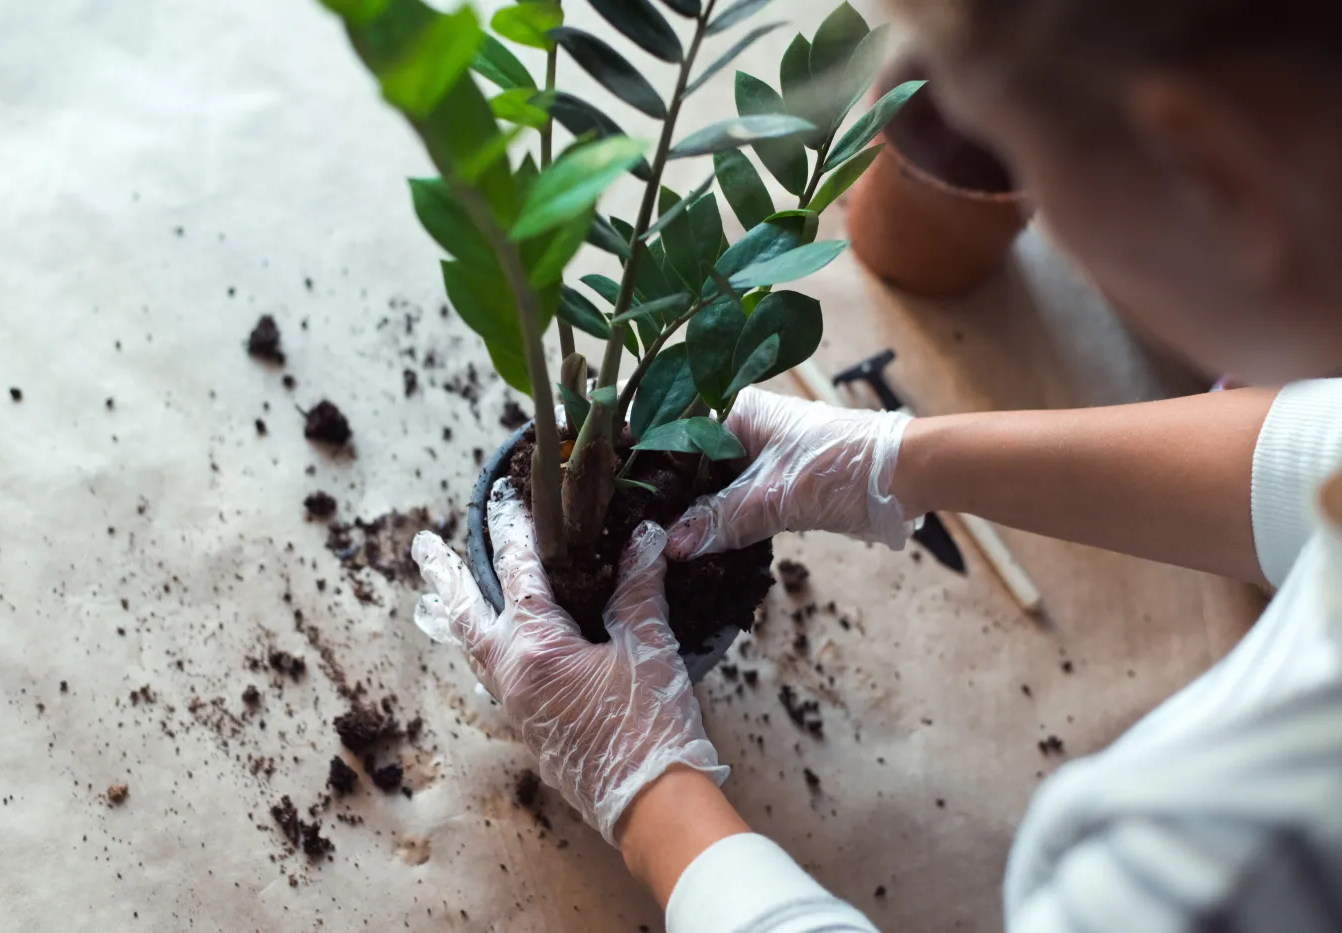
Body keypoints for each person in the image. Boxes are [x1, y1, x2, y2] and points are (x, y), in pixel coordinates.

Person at [411, 0, 1342, 928]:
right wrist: (905, 456)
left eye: (1016, 158)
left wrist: (645, 787)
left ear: (1209, 173)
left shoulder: (1241, 844)